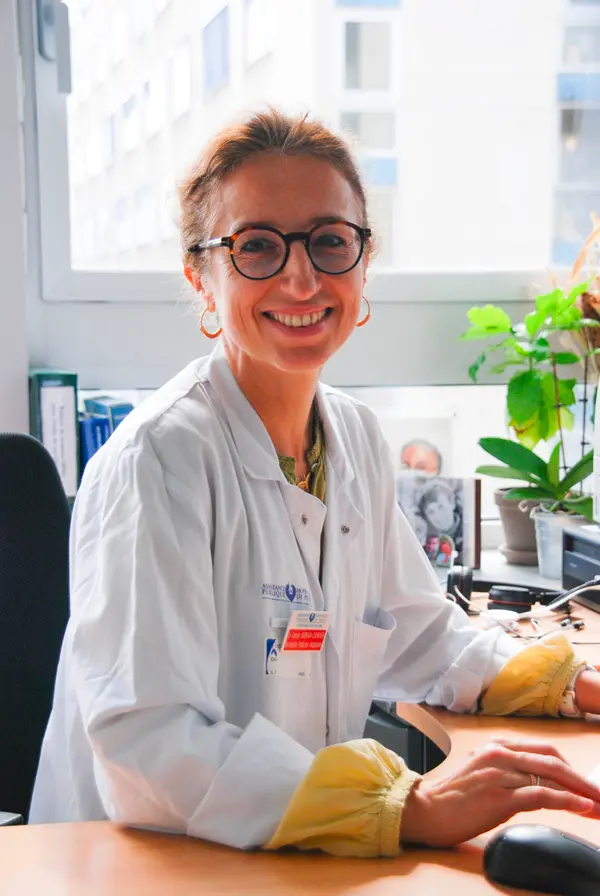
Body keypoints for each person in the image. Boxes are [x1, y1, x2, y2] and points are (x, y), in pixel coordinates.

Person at [30, 109, 600, 857]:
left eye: (330, 242)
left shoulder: (354, 438)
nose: (302, 277)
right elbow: (150, 746)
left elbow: (416, 630)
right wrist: (405, 806)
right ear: (201, 277)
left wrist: (563, 682)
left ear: (364, 262)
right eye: (257, 246)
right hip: (136, 863)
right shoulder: (157, 463)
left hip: (280, 858)